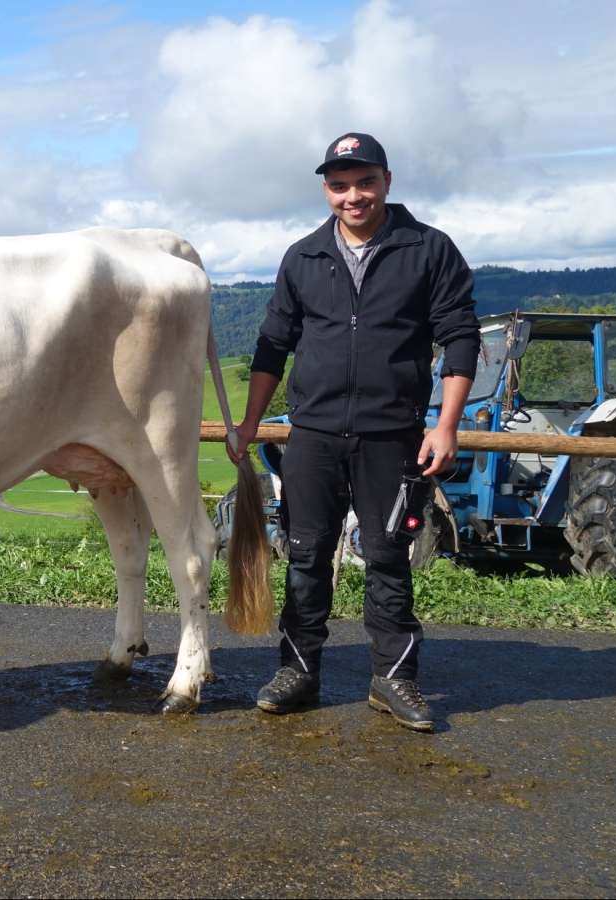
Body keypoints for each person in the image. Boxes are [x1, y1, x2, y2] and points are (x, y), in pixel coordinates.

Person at [227, 132, 478, 732]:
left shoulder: (429, 249)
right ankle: (297, 672)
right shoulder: (304, 257)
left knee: (388, 557)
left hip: (392, 436)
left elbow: (459, 336)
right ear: (326, 190)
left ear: (387, 181)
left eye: (365, 182)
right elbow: (273, 346)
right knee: (306, 556)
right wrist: (251, 422)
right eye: (340, 186)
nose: (353, 196)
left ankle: (393, 678)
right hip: (312, 435)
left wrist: (446, 425)